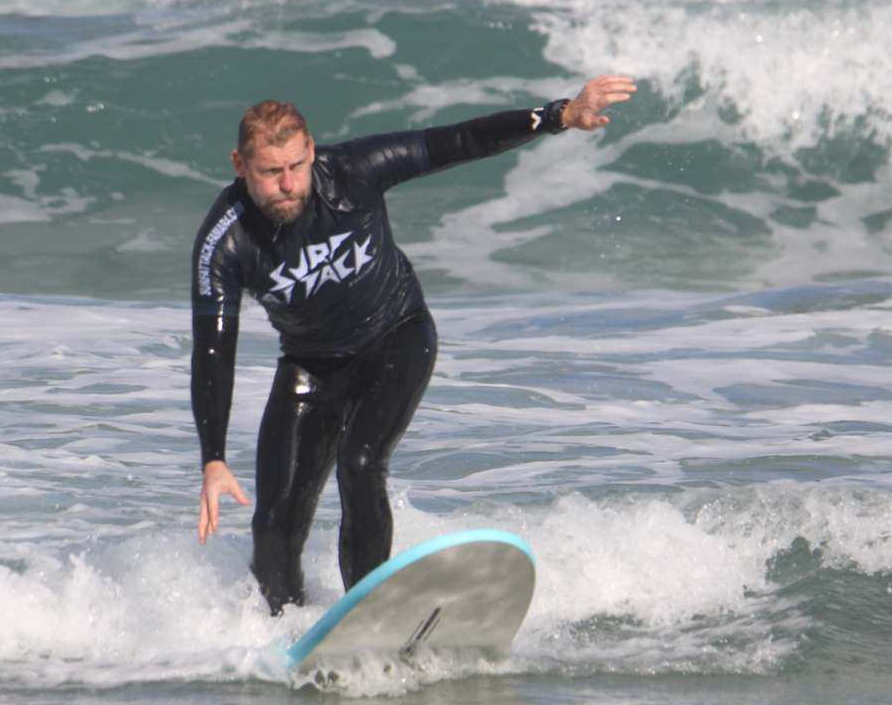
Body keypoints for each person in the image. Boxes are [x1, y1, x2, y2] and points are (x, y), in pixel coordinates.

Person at [191, 74, 637, 614]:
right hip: (310, 365)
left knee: (359, 462)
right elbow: (214, 351)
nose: (287, 184)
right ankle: (289, 632)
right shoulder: (226, 241)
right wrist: (213, 457)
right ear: (240, 166)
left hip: (395, 337)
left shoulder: (352, 172)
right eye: (269, 173)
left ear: (311, 151)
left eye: (295, 167)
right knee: (273, 525)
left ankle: (369, 610)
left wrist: (557, 115)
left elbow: (457, 141)